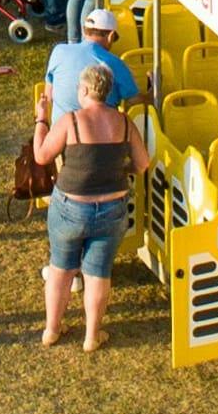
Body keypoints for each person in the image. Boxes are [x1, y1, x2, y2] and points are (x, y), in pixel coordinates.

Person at [32, 69, 149, 349]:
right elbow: (143, 163)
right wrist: (124, 168)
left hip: (71, 205)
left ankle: (52, 329)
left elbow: (41, 156)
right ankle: (91, 336)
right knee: (98, 272)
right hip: (112, 207)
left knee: (61, 267)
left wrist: (41, 119)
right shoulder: (123, 122)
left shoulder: (70, 120)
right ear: (107, 91)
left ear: (84, 91)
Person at [44, 0, 141, 119]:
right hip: (101, 134)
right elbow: (135, 101)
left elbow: (48, 95)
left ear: (84, 30)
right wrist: (153, 94)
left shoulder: (58, 51)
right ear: (110, 36)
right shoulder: (115, 63)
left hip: (59, 134)